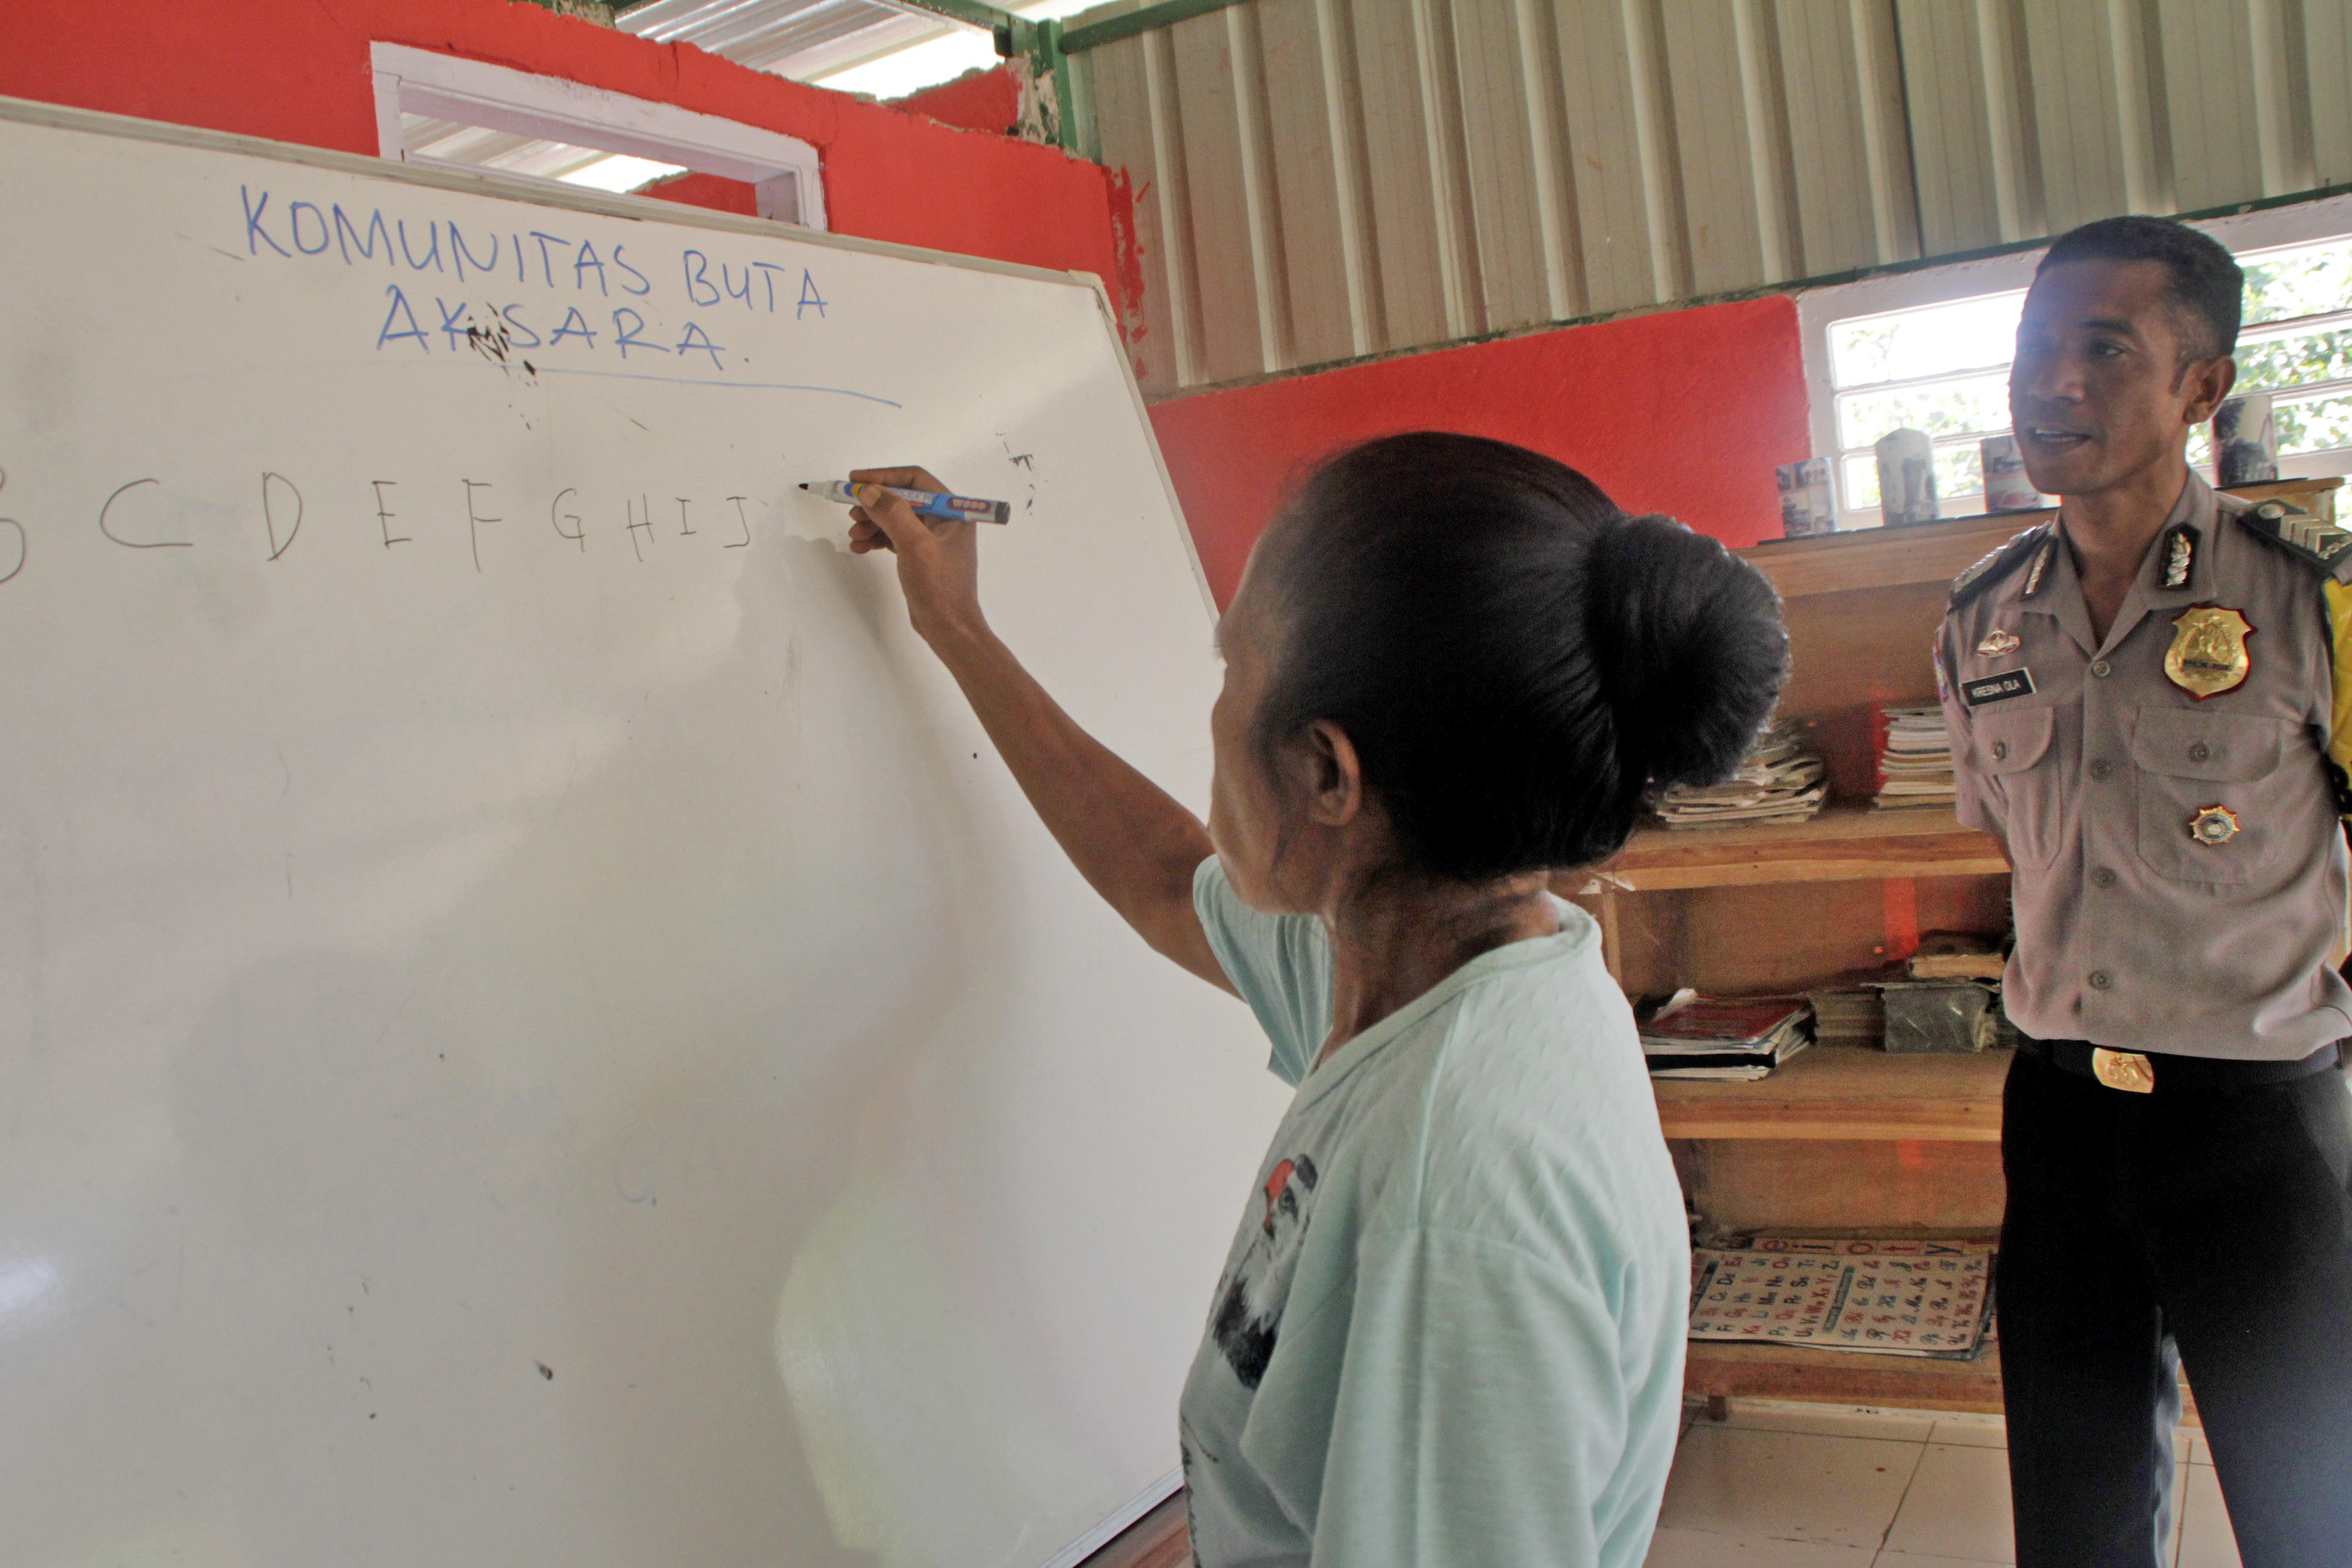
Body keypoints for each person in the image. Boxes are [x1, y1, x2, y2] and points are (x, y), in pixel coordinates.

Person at [840, 433, 1786, 1566]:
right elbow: (1158, 877)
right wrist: (957, 628)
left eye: (1232, 670)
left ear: (1331, 774)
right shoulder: (1430, 960)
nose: (1218, 706)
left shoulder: (1458, 1193)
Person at [1937, 215, 2352, 1568]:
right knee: (2073, 1513)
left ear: (2199, 388)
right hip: (2058, 1114)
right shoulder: (1981, 617)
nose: (2049, 381)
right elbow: (2016, 846)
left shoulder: (2310, 602)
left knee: (2310, 1508)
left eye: (2100, 350)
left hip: (2257, 1126)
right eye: (2034, 348)